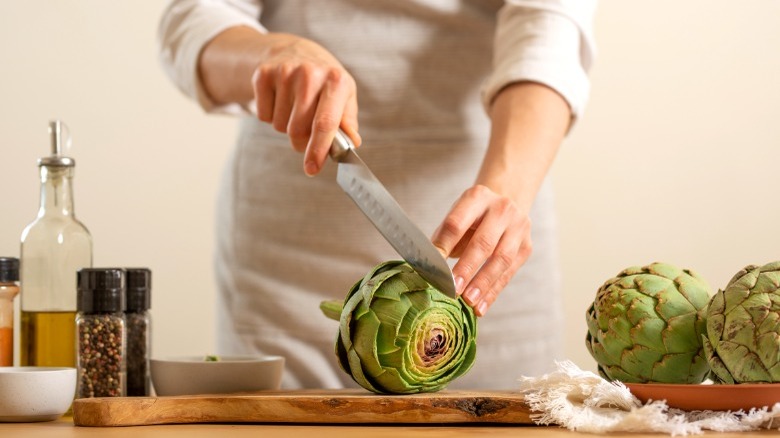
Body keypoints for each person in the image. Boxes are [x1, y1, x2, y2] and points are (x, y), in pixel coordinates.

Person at [158, 0, 596, 389]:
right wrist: (267, 54)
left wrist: (506, 189)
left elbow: (551, 22)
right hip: (287, 265)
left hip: (485, 251)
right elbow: (193, 17)